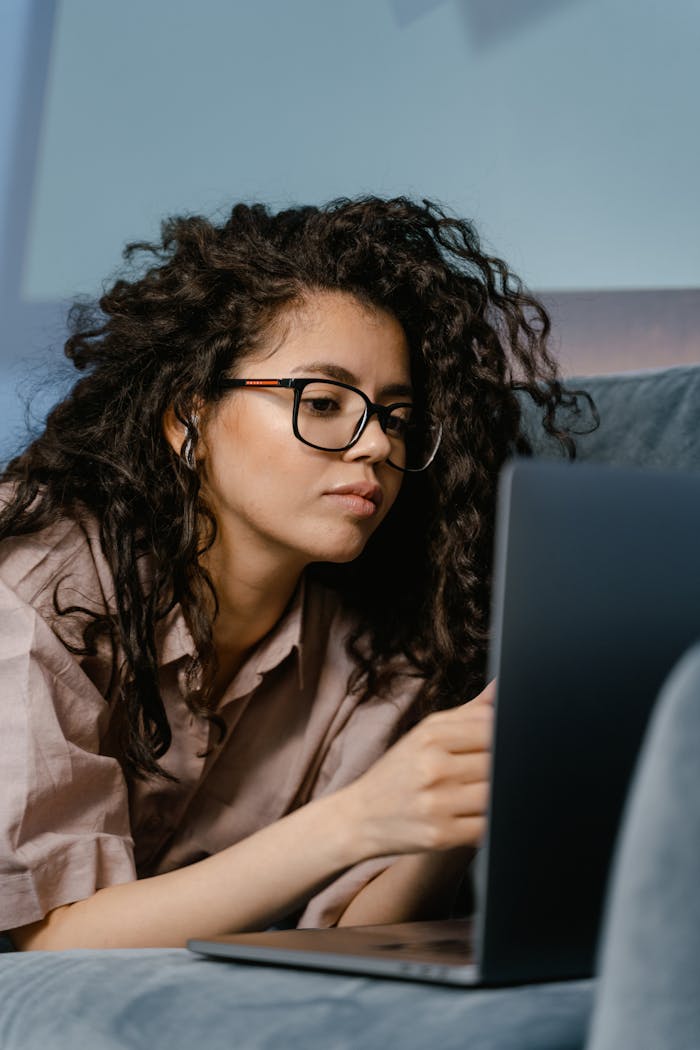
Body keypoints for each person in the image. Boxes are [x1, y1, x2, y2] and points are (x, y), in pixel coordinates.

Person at [0, 196, 588, 950]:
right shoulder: (36, 585)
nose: (374, 446)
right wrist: (357, 817)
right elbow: (45, 943)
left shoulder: (389, 639)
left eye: (397, 417)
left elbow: (354, 933)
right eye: (323, 400)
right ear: (187, 419)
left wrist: (465, 794)